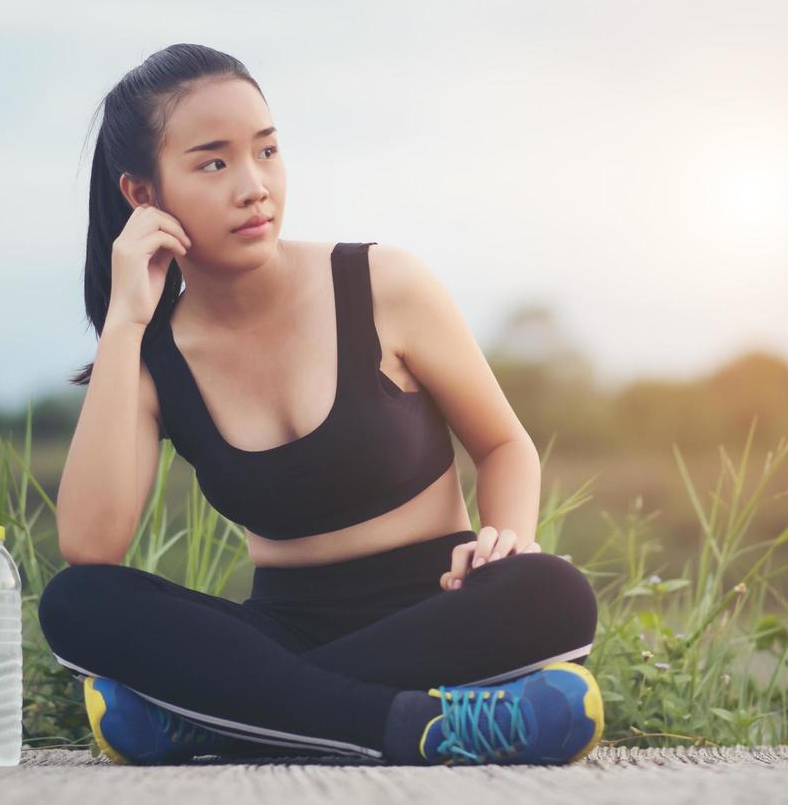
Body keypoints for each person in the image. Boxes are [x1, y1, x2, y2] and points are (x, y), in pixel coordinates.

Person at [37, 43, 603, 767]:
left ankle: (221, 719)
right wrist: (124, 323)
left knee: (552, 591)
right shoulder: (154, 358)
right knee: (76, 604)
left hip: (443, 610)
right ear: (144, 196)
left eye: (266, 151)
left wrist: (506, 537)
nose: (254, 186)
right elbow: (92, 547)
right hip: (281, 632)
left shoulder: (382, 283)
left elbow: (503, 446)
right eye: (213, 163)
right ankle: (416, 724)